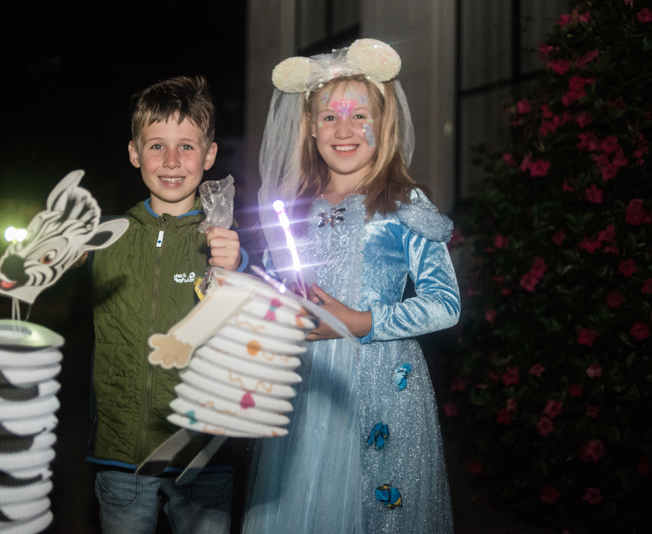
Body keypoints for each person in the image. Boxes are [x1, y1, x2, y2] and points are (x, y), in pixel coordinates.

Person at [243, 39, 460, 533]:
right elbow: (277, 287)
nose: (343, 130)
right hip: (307, 386)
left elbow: (445, 304)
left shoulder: (403, 204)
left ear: (384, 124)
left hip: (382, 385)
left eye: (359, 115)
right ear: (309, 126)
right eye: (328, 117)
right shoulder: (293, 208)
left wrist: (360, 321)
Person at [87, 75, 248, 534]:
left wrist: (238, 267)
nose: (172, 161)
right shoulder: (105, 238)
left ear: (209, 155)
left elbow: (260, 316)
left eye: (187, 147)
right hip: (121, 455)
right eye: (157, 146)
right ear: (134, 152)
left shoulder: (227, 242)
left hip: (203, 456)